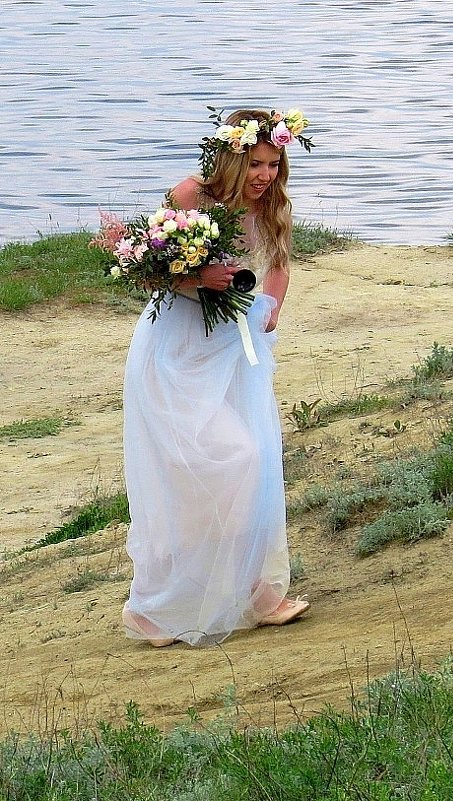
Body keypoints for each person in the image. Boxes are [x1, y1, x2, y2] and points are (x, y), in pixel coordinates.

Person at [120, 108, 313, 647]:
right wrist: (198, 280)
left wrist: (271, 303)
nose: (265, 175)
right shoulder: (190, 196)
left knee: (256, 460)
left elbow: (278, 264)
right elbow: (146, 268)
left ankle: (258, 590)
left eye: (274, 164)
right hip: (176, 350)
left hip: (236, 350)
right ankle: (155, 607)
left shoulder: (272, 208)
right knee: (205, 466)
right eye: (256, 163)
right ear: (232, 157)